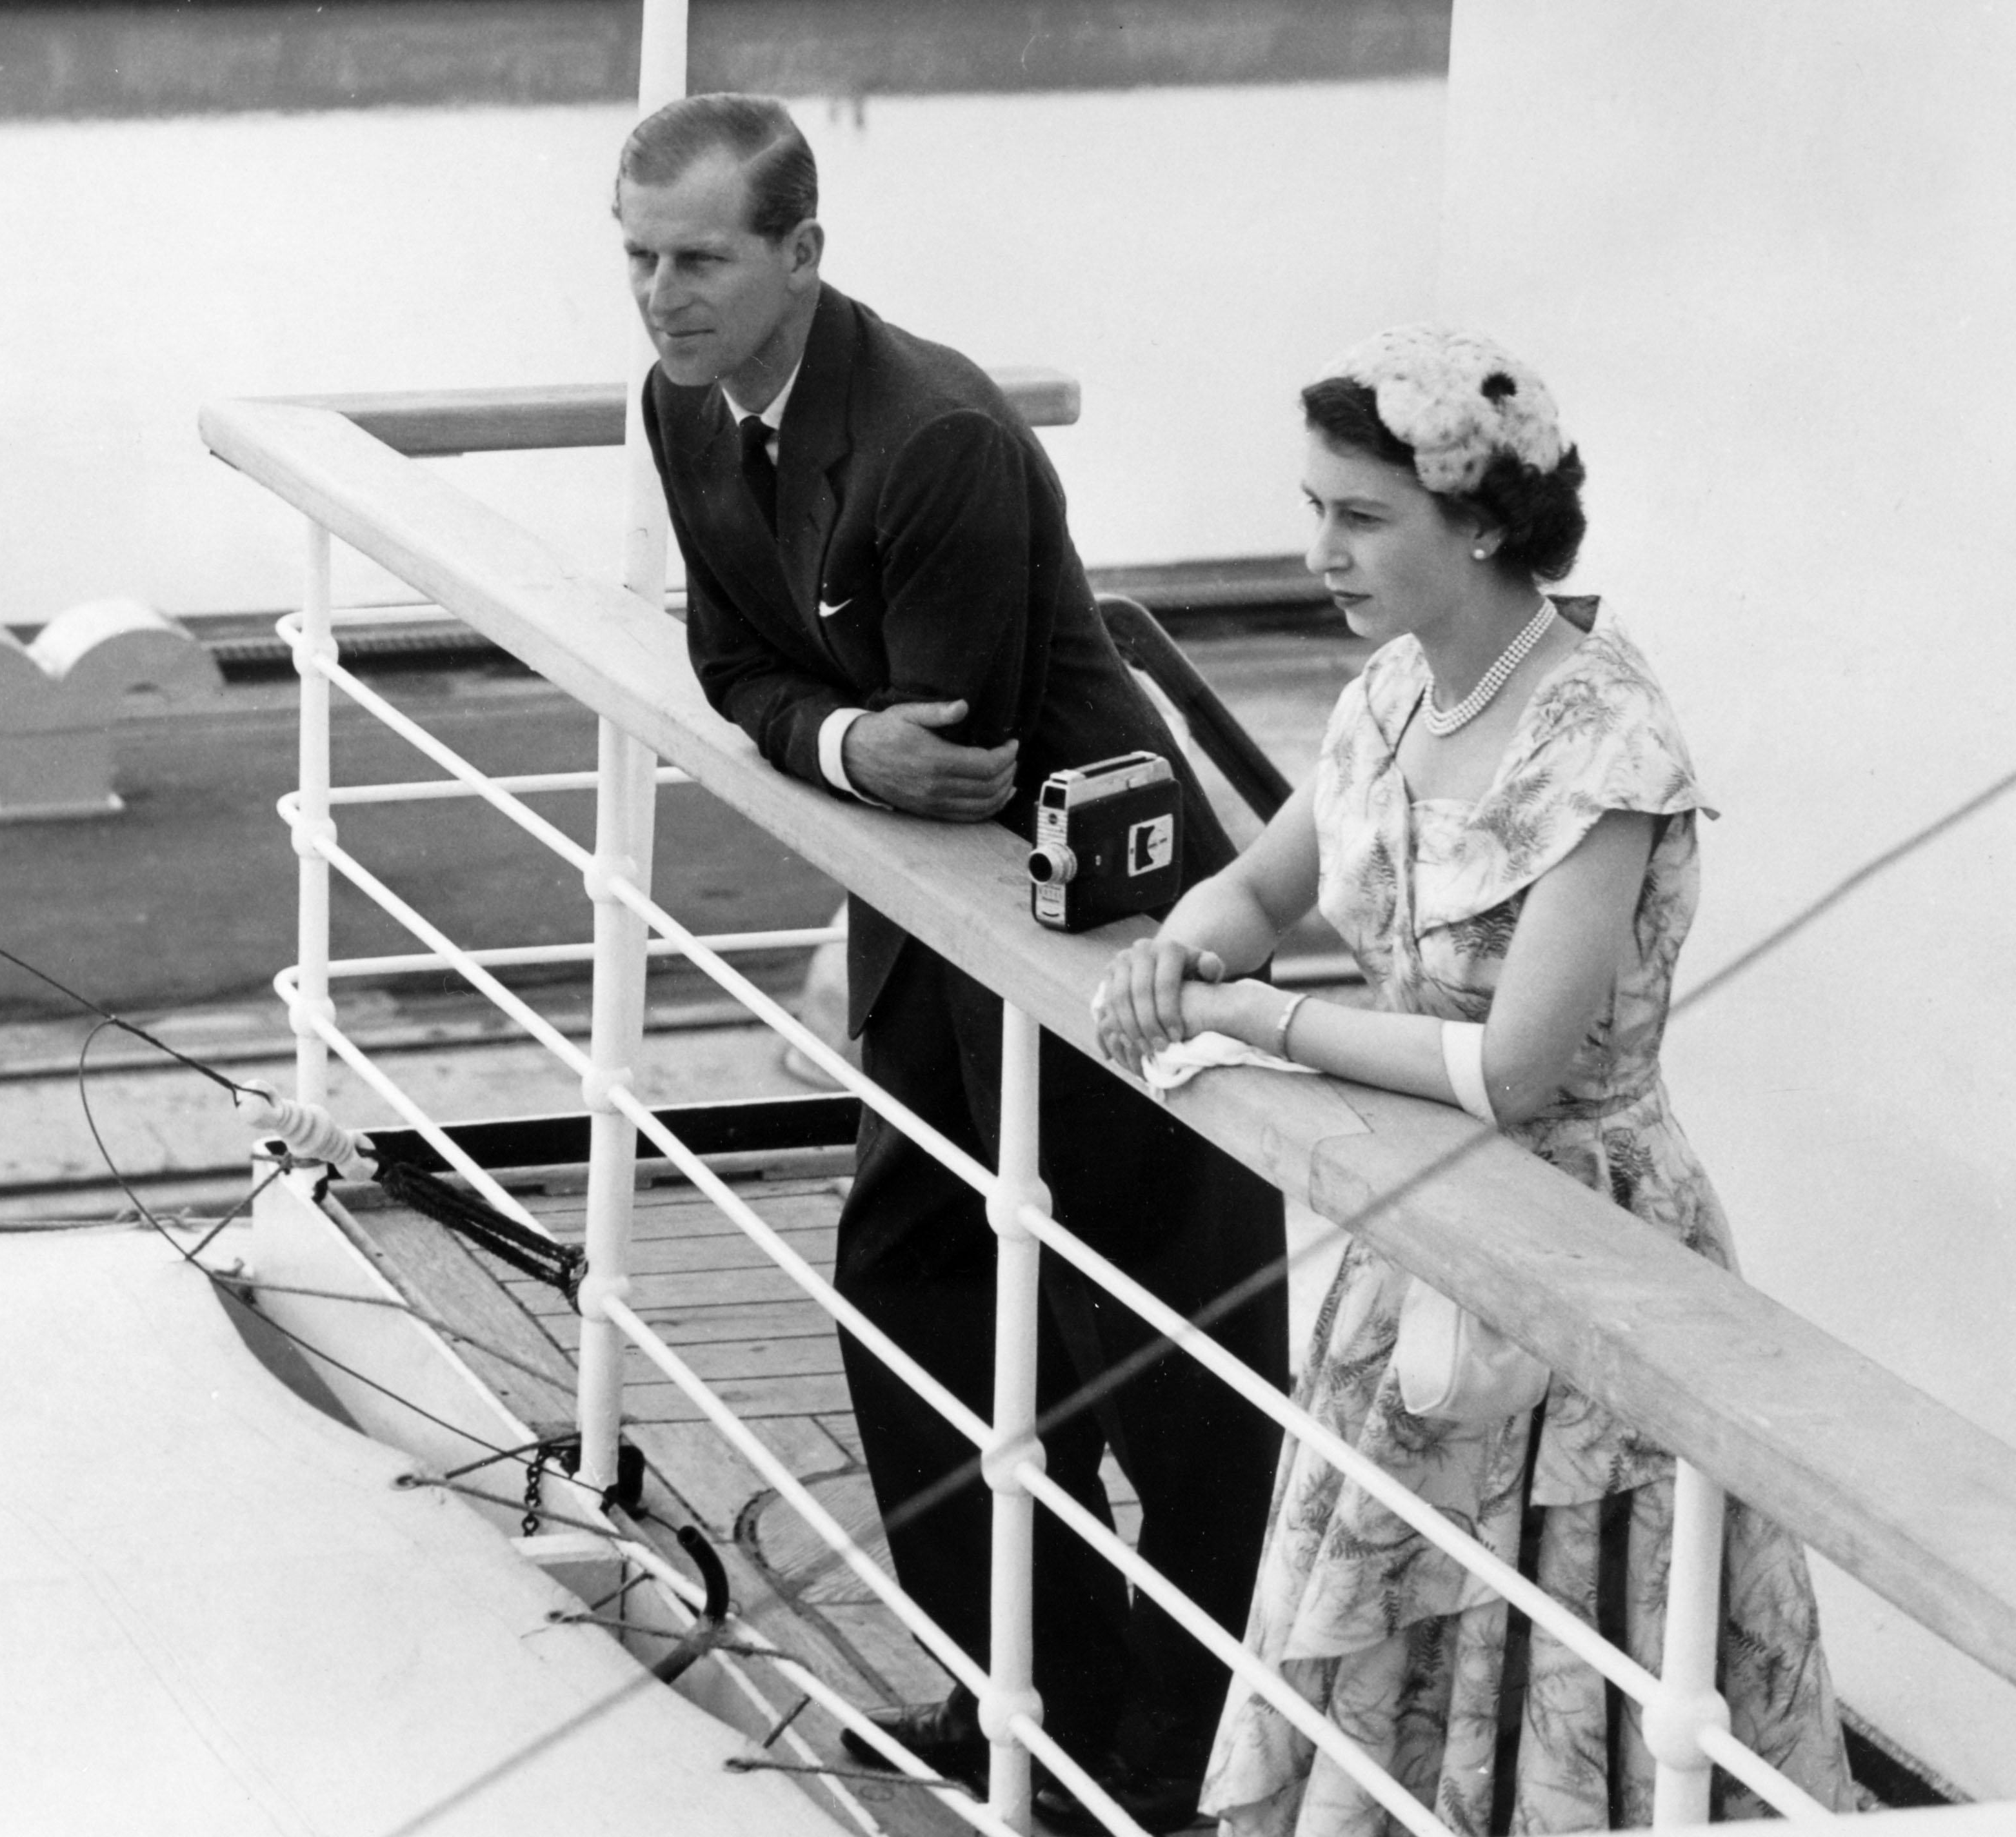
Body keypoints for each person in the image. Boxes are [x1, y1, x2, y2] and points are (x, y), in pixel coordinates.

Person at [617, 93, 1289, 1828]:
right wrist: (841, 749)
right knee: (917, 1284)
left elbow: (969, 749)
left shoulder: (935, 441)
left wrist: (850, 734)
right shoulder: (689, 409)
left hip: (1102, 919)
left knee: (1161, 1346)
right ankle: (1034, 1696)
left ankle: (1173, 1748)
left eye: (700, 259)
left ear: (802, 257)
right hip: (929, 907)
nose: (662, 295)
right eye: (640, 258)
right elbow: (745, 672)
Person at [1092, 326, 1855, 1831]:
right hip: (1418, 1237)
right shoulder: (1392, 693)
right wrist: (1172, 953)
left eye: (1362, 517)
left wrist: (1261, 1024)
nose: (1318, 548)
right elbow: (1261, 886)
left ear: (1486, 523)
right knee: (1405, 1624)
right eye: (1312, 506)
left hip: (1582, 1231)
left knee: (1567, 1626)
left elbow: (1512, 1066)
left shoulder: (1603, 739)